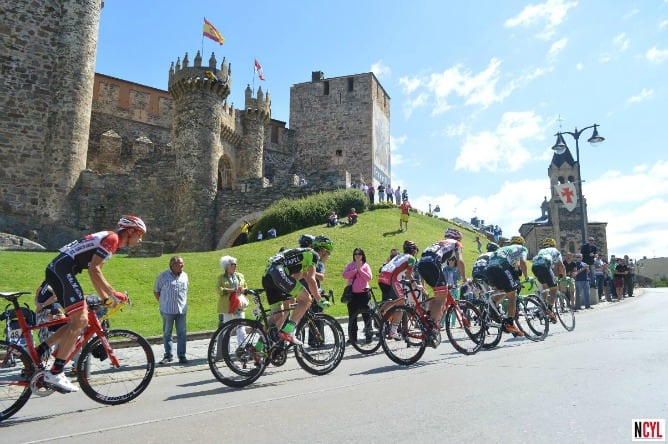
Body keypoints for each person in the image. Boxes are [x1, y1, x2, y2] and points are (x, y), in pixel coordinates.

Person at [33, 215, 143, 393]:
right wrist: (112, 294)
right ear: (130, 231)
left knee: (75, 321)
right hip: (62, 270)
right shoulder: (112, 238)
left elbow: (95, 275)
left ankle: (40, 350)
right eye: (140, 235)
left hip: (60, 269)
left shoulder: (109, 240)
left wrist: (106, 298)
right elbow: (94, 270)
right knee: (82, 320)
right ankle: (56, 372)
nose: (140, 240)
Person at [260, 235, 333, 345]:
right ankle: (288, 332)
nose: (329, 256)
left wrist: (295, 295)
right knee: (307, 299)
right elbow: (311, 279)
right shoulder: (313, 255)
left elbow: (297, 277)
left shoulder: (302, 256)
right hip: (277, 273)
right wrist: (319, 299)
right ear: (323, 250)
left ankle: (257, 347)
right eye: (329, 252)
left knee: (278, 314)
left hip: (267, 276)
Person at [416, 228, 467, 328]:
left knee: (438, 295)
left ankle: (427, 318)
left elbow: (423, 261)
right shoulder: (456, 243)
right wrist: (464, 278)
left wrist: (423, 285)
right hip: (433, 264)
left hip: (421, 264)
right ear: (457, 238)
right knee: (442, 298)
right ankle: (431, 326)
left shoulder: (438, 243)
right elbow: (460, 260)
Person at [484, 235, 529, 336]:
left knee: (504, 291)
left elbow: (514, 267)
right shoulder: (522, 248)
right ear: (522, 243)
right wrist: (526, 277)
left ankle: (492, 307)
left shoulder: (505, 249)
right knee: (512, 295)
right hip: (501, 267)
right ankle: (509, 323)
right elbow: (523, 262)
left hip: (489, 269)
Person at [378, 240, 420, 339]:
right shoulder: (412, 258)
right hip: (392, 279)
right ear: (414, 251)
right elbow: (408, 274)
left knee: (394, 301)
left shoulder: (398, 256)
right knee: (401, 304)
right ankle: (393, 330)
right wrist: (416, 285)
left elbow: (400, 272)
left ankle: (379, 313)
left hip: (382, 278)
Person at [154, 256, 189, 365]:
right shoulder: (163, 276)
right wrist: (163, 303)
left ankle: (182, 356)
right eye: (180, 263)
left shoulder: (185, 276)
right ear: (172, 265)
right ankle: (168, 355)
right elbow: (156, 291)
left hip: (181, 310)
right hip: (167, 310)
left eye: (182, 263)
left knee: (182, 333)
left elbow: (186, 290)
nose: (182, 265)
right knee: (167, 333)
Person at [342, 247, 373, 345]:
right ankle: (352, 338)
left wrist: (360, 270)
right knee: (352, 316)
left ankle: (369, 336)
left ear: (362, 255)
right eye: (355, 254)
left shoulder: (366, 265)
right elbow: (345, 275)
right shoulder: (350, 265)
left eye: (359, 254)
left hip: (364, 294)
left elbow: (369, 278)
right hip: (353, 295)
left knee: (366, 315)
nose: (357, 256)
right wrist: (356, 270)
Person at [531, 238, 567, 322]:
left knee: (545, 287)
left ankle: (543, 306)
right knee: (554, 289)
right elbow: (561, 265)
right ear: (553, 244)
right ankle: (550, 309)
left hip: (535, 267)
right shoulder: (555, 251)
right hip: (545, 267)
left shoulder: (541, 251)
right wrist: (564, 277)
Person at [216, 255, 248, 343]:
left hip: (239, 304)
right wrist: (232, 290)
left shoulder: (240, 276)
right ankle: (226, 349)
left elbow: (246, 287)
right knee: (227, 328)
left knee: (241, 327)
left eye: (235, 264)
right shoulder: (221, 277)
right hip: (227, 305)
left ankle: (242, 348)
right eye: (232, 264)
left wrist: (243, 289)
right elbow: (219, 290)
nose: (235, 266)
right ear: (226, 266)